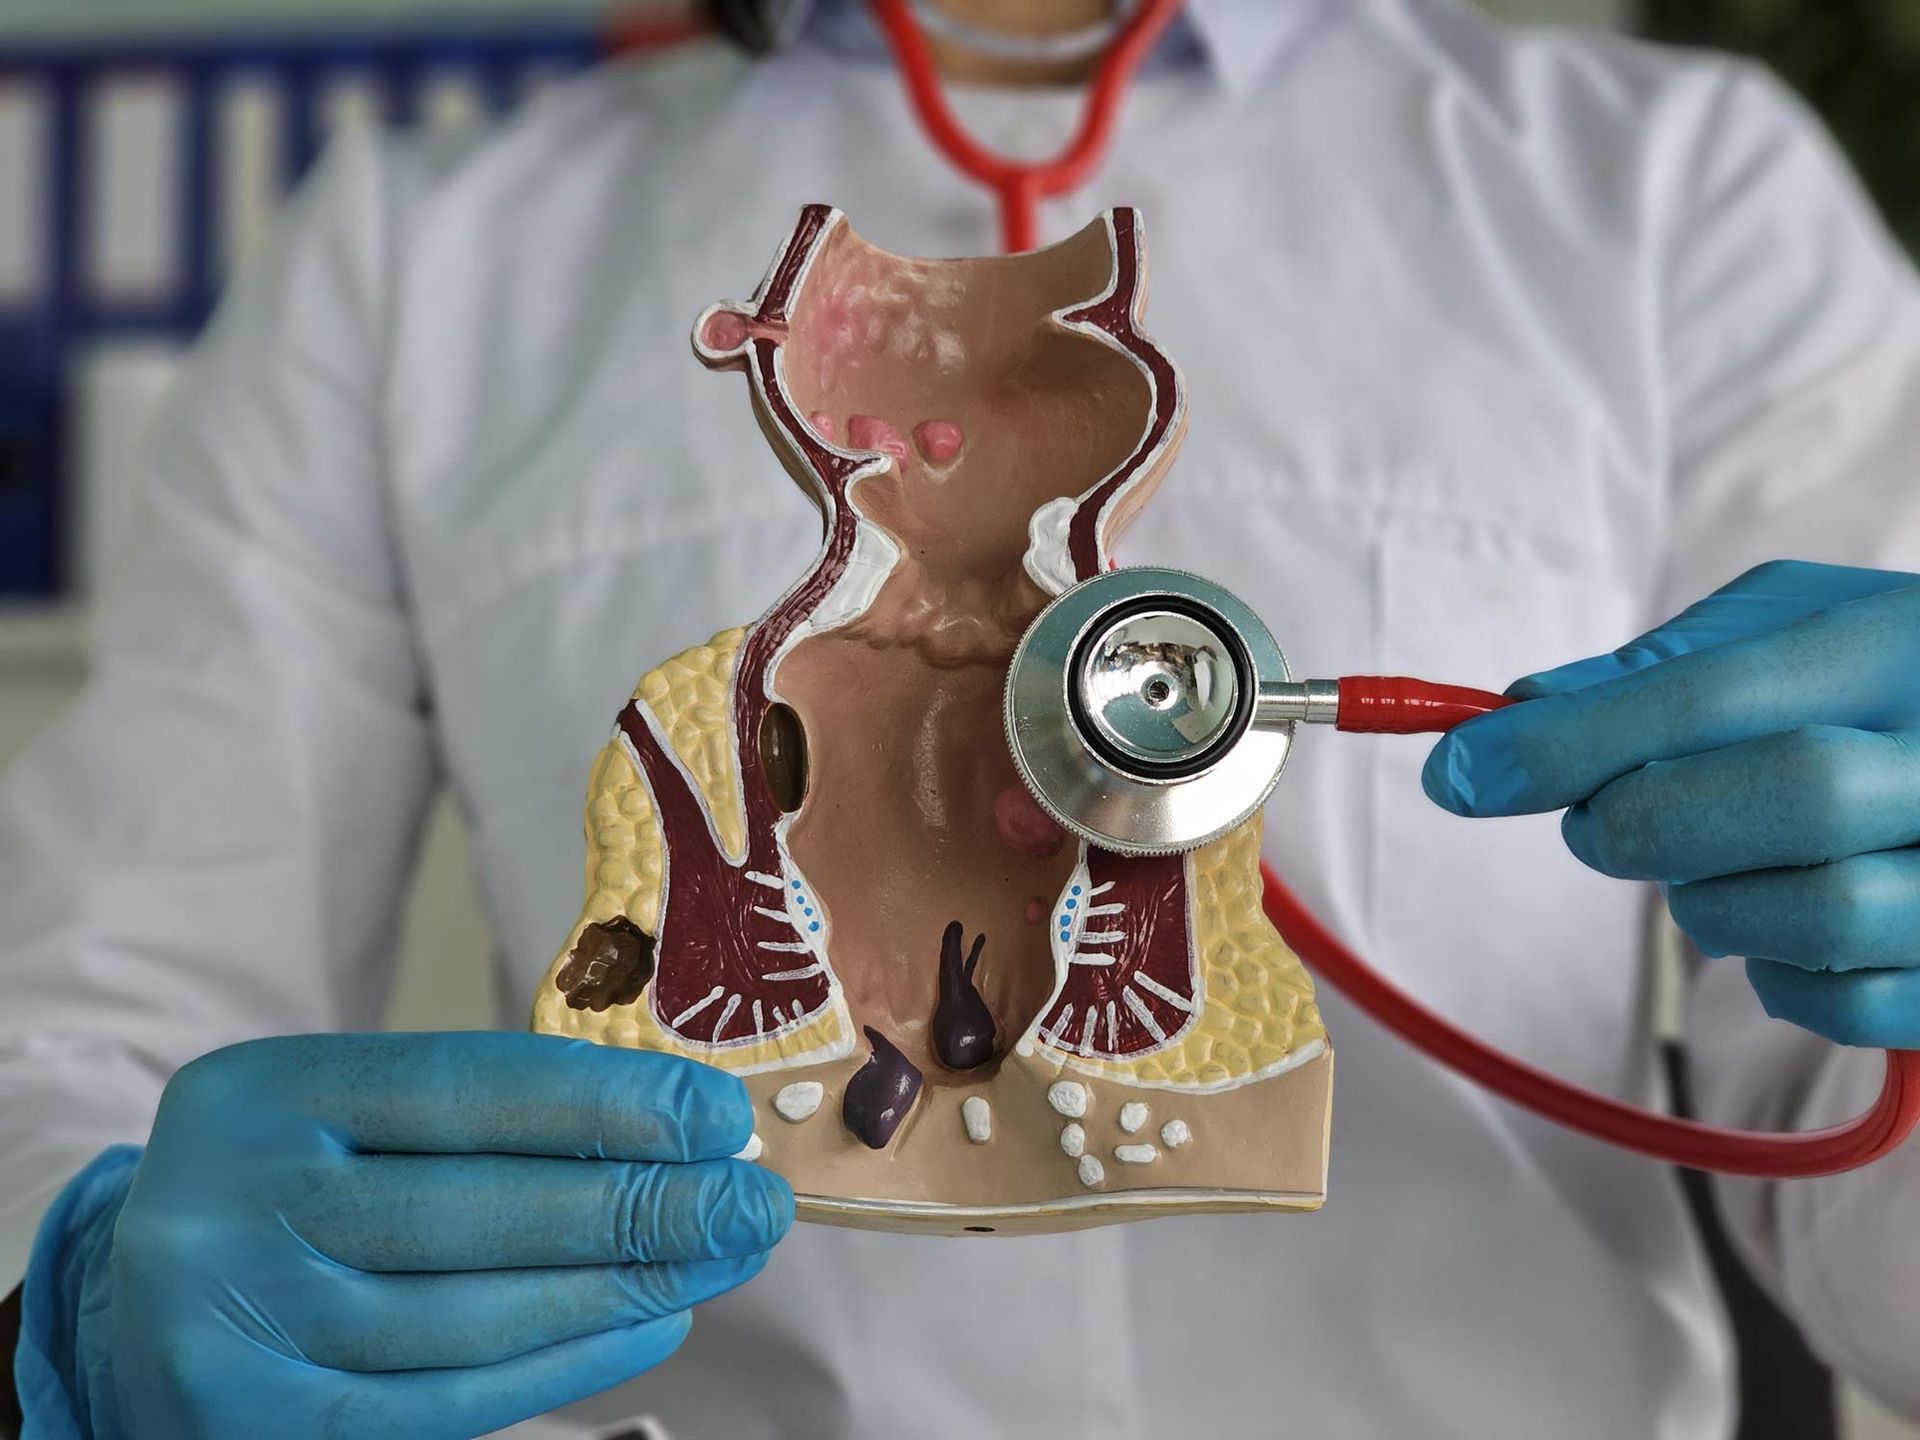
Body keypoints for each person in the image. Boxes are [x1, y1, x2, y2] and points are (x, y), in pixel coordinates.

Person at [6, 0, 1920, 1435]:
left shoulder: (1666, 195)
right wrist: (77, 1300)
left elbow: (1870, 1218)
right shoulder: (424, 259)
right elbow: (107, 1016)